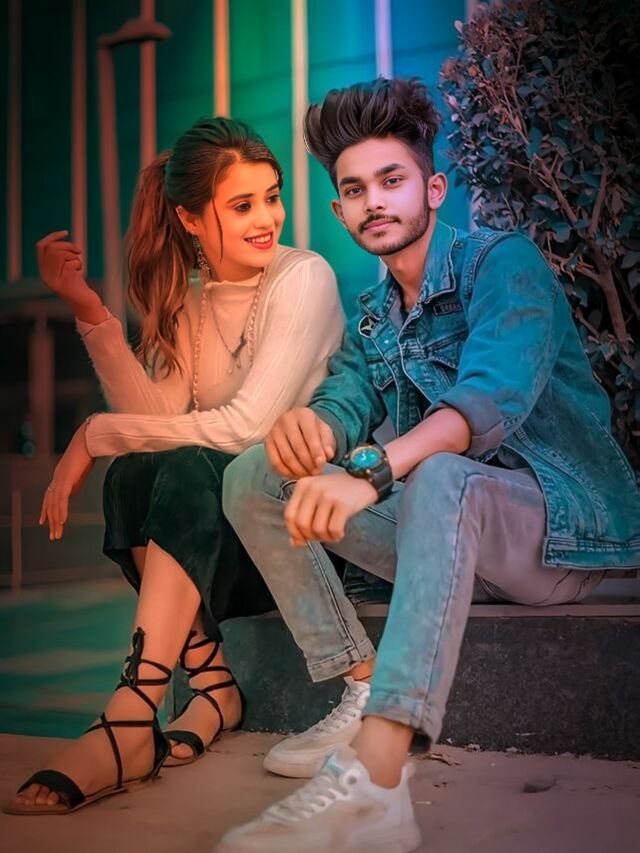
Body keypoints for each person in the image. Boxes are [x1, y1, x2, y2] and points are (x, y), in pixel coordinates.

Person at [218, 77, 640, 851]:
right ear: (340, 210)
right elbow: (343, 401)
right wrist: (308, 430)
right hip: (449, 538)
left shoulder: (502, 264)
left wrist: (370, 474)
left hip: (557, 537)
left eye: (392, 180)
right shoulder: (374, 318)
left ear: (432, 188)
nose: (374, 201)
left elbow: (484, 403)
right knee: (251, 474)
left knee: (443, 473)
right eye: (355, 190)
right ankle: (358, 689)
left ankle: (378, 787)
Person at [3, 117, 344, 816]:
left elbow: (247, 427)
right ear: (189, 218)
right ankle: (213, 685)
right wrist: (90, 312)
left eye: (272, 197)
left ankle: (132, 714)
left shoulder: (304, 277)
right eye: (242, 205)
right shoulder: (191, 299)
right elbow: (150, 428)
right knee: (133, 475)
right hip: (225, 543)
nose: (267, 219)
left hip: (301, 535)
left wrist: (95, 432)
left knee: (186, 463)